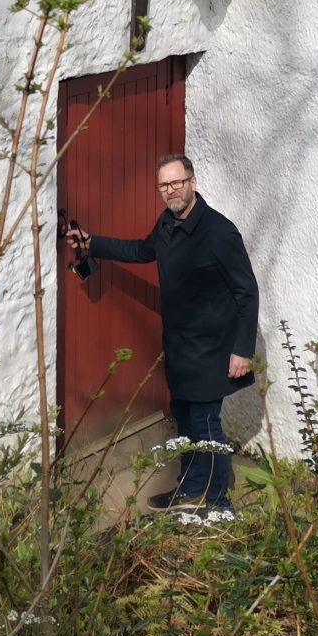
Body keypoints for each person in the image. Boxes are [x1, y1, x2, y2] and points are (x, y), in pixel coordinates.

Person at [66, 153, 259, 512]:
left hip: (212, 350)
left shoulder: (219, 232)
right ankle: (190, 488)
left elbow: (246, 292)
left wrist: (242, 351)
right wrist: (92, 243)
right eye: (164, 185)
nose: (171, 190)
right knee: (186, 421)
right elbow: (141, 250)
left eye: (177, 182)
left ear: (193, 183)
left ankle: (218, 505)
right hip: (180, 348)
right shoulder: (167, 225)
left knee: (206, 426)